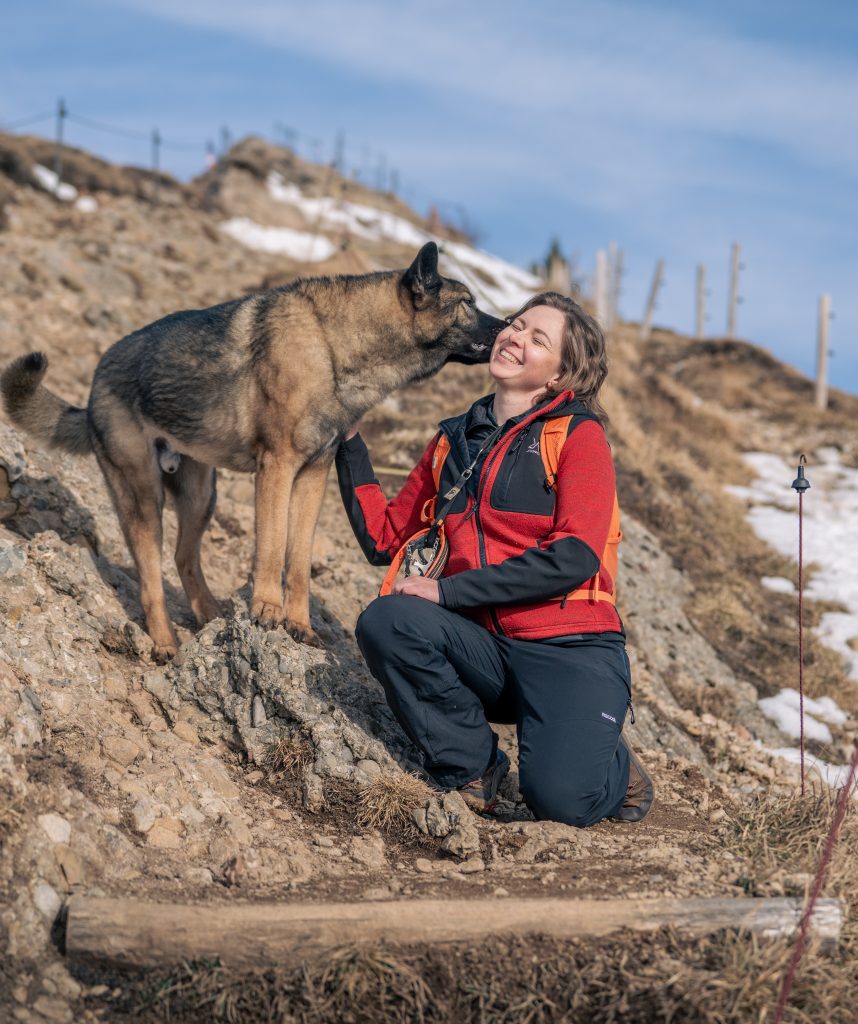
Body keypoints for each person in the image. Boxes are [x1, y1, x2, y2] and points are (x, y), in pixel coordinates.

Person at [335, 292, 653, 826]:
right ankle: (472, 768)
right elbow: (384, 537)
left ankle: (613, 762)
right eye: (516, 325)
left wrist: (448, 593)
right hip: (487, 652)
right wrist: (348, 441)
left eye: (538, 339)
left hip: (570, 650)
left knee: (558, 802)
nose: (514, 338)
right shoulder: (452, 440)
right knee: (389, 619)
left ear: (559, 375)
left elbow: (574, 556)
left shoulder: (578, 436)